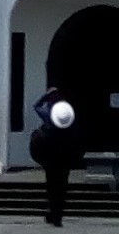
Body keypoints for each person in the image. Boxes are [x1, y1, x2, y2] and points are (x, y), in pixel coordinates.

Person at [29, 90, 83, 226]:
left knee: (52, 187)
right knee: (61, 188)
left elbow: (36, 107)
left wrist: (45, 96)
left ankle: (53, 213)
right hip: (64, 161)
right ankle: (57, 215)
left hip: (51, 161)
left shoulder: (48, 119)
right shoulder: (69, 122)